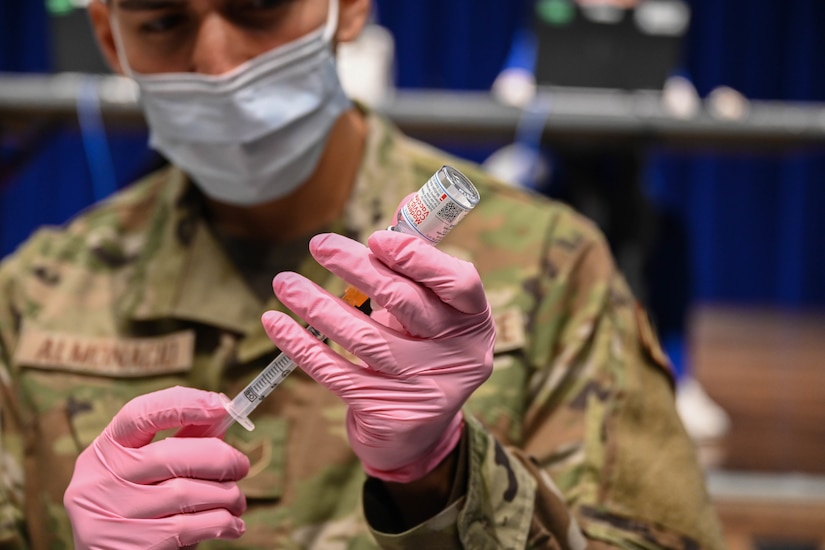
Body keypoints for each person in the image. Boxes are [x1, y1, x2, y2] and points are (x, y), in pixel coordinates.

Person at [0, 0, 724, 547]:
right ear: (108, 36)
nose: (218, 64)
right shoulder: (33, 295)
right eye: (162, 21)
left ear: (349, 7)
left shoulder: (549, 264)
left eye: (259, 6)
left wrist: (443, 476)